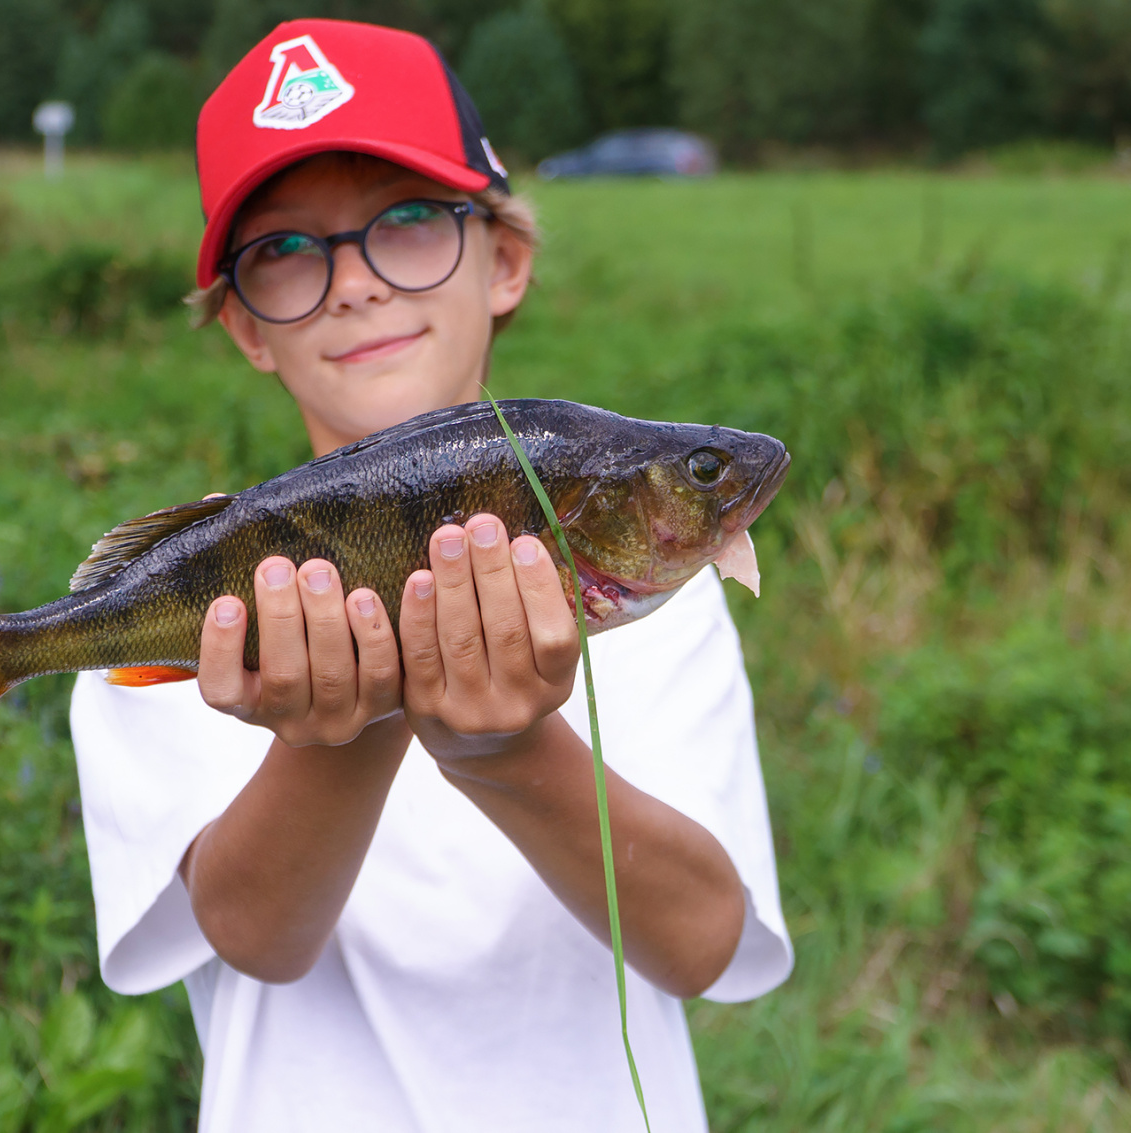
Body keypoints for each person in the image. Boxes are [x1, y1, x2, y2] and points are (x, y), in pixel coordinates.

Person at [68, 18, 791, 1131]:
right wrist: (348, 729)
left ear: (503, 260)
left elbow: (701, 944)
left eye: (406, 223)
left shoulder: (663, 610)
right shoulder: (201, 601)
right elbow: (256, 937)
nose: (352, 283)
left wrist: (507, 749)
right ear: (245, 329)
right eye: (285, 252)